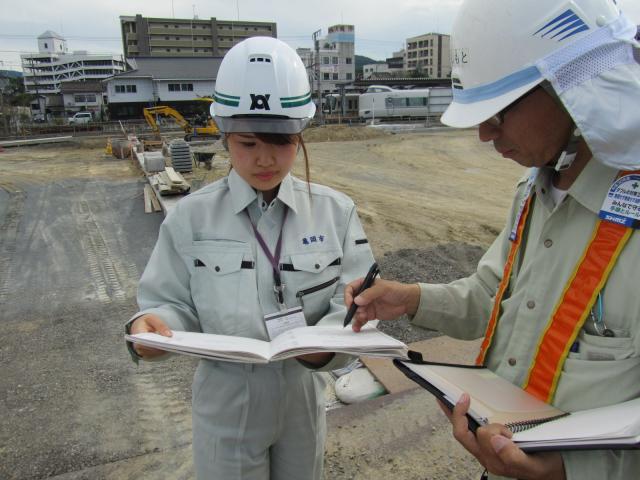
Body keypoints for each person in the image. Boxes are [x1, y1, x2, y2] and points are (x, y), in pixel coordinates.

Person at [346, 1, 640, 479]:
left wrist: (572, 471)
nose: (484, 134)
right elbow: (493, 295)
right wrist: (410, 299)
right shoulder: (534, 189)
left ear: (569, 85)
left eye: (499, 113)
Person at [125, 37, 374, 480]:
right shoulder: (191, 217)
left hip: (303, 397)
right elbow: (170, 304)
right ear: (223, 136)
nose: (264, 158)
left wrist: (325, 348)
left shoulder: (337, 213)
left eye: (280, 142)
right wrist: (150, 327)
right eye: (247, 143)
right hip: (225, 402)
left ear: (300, 136)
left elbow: (356, 302)